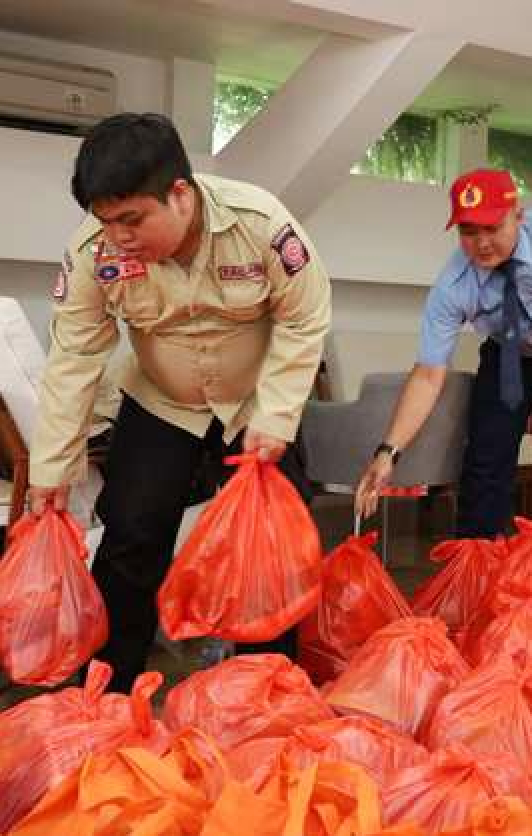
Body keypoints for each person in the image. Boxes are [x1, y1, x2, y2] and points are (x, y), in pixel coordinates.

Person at [28, 113, 331, 691]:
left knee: (270, 552)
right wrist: (52, 466)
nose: (118, 236)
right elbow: (75, 356)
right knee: (130, 538)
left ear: (180, 195)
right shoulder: (93, 252)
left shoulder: (261, 225)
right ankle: (106, 693)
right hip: (162, 401)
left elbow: (303, 318)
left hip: (253, 405)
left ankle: (265, 694)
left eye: (132, 219)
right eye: (106, 221)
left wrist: (277, 416)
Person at [354, 168, 532, 599]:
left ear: (517, 216)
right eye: (468, 232)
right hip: (511, 353)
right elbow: (428, 375)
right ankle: (475, 583)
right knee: (484, 465)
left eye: (492, 228)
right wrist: (387, 452)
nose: (482, 243)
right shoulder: (453, 286)